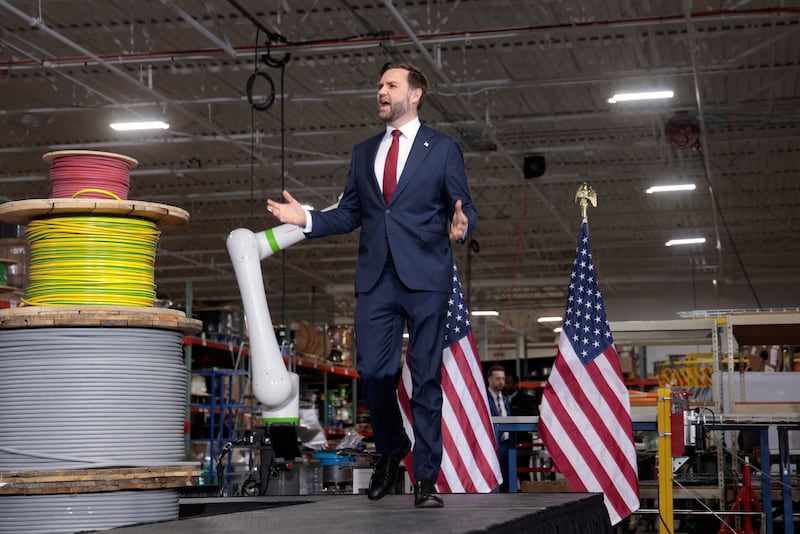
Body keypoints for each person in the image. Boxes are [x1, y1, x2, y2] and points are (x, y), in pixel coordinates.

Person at [266, 61, 478, 508]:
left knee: (425, 377)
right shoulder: (364, 153)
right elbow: (350, 214)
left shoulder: (443, 148)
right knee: (374, 372)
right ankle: (392, 446)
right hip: (376, 277)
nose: (381, 91)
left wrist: (461, 227)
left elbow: (464, 204)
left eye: (391, 85)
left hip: (426, 277)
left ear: (415, 94)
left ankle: (425, 479)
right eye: (379, 85)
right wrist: (305, 218)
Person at [486, 364, 515, 492]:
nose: (501, 382)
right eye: (497, 379)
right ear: (489, 379)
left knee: (507, 480)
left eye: (503, 378)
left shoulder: (505, 399)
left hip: (507, 445)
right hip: (491, 446)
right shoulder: (483, 398)